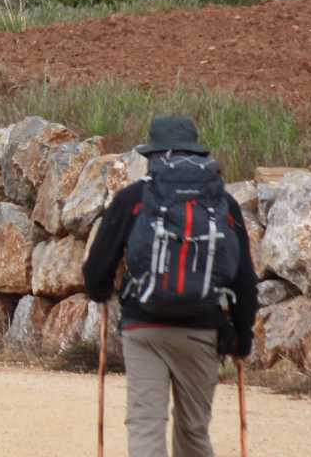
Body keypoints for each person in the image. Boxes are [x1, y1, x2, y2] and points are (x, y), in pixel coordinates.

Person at [82, 115, 259, 457]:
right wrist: (241, 339)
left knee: (145, 425)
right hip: (202, 331)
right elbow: (244, 280)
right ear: (197, 154)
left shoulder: (135, 198)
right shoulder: (223, 204)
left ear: (152, 155)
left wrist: (101, 292)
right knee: (193, 430)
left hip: (143, 327)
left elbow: (96, 269)